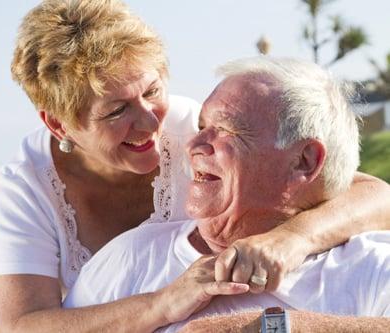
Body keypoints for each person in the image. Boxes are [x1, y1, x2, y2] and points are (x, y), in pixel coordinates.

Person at [0, 0, 390, 331]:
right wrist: (163, 305)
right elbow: (24, 325)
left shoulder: (185, 124)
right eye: (115, 111)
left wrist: (292, 240)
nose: (150, 123)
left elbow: (351, 186)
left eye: (152, 90)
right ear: (59, 124)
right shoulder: (27, 187)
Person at [64, 57, 390, 332]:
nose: (193, 145)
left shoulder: (371, 269)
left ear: (303, 161)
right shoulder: (131, 257)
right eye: (201, 125)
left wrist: (269, 327)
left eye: (227, 130)